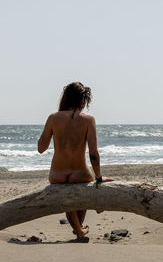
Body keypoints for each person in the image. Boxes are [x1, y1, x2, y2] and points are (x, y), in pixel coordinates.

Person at [37, 82, 113, 239]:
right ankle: (79, 230)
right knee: (86, 187)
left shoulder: (53, 118)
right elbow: (93, 154)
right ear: (83, 101)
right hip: (80, 173)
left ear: (65, 98)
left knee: (67, 196)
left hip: (57, 174)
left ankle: (79, 229)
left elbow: (41, 148)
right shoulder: (88, 120)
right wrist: (99, 178)